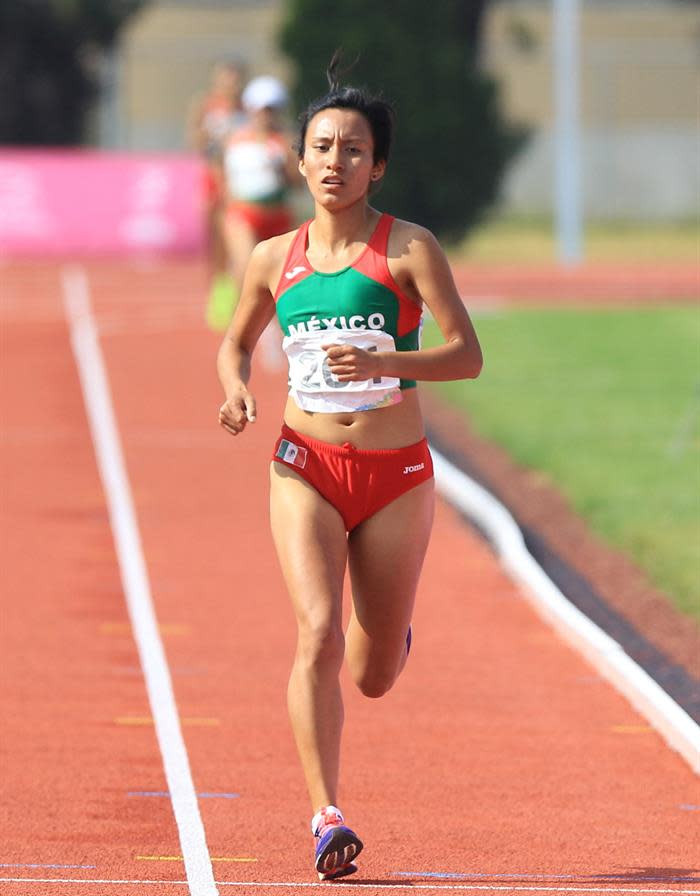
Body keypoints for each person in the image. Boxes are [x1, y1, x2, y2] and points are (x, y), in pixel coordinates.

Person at [216, 56, 483, 881]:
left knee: (371, 675)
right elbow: (235, 341)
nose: (337, 162)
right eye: (323, 147)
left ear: (380, 165)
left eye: (355, 149)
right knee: (318, 632)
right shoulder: (271, 258)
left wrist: (392, 369)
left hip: (396, 474)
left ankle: (391, 632)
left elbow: (467, 356)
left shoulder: (408, 249)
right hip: (305, 465)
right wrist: (233, 388)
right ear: (299, 160)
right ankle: (326, 815)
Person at [220, 75, 298, 339]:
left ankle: (277, 328)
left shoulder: (285, 141)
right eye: (263, 109)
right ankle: (238, 330)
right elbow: (224, 178)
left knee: (281, 274)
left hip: (276, 213)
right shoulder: (235, 139)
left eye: (272, 109)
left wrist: (283, 167)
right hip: (243, 213)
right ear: (251, 109)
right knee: (245, 268)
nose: (267, 115)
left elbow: (298, 182)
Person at [187, 59, 248, 331]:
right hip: (213, 178)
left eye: (234, 78)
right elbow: (196, 142)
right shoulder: (206, 105)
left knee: (237, 234)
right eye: (225, 78)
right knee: (215, 239)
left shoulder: (249, 109)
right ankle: (219, 290)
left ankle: (240, 293)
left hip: (240, 180)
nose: (230, 84)